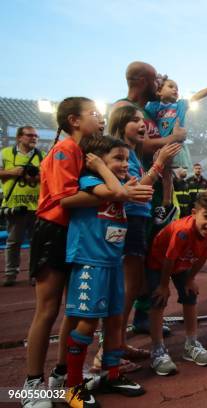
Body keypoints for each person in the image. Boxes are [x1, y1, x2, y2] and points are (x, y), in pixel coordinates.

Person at [22, 97, 105, 408]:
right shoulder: (65, 149)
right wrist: (114, 194)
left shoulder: (84, 151)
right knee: (48, 308)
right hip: (53, 233)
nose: (100, 118)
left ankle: (62, 377)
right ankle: (32, 383)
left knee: (74, 309)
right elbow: (64, 198)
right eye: (94, 113)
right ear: (74, 121)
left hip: (76, 233)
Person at [63, 136, 150, 407]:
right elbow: (115, 193)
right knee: (87, 324)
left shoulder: (119, 184)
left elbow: (125, 192)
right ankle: (73, 386)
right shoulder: (91, 183)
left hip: (113, 262)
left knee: (114, 321)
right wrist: (101, 167)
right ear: (97, 161)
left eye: (127, 159)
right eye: (119, 159)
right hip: (91, 261)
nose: (125, 164)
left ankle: (112, 374)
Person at [112, 61, 185, 340]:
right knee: (131, 263)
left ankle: (142, 317)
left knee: (152, 253)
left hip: (152, 190)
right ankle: (114, 333)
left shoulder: (151, 111)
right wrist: (171, 139)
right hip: (133, 191)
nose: (160, 85)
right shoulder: (123, 109)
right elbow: (127, 145)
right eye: (156, 81)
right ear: (142, 81)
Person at [147, 192, 207, 375]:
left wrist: (190, 279)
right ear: (193, 213)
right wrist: (164, 285)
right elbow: (168, 259)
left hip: (182, 262)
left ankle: (191, 344)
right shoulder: (183, 231)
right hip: (159, 262)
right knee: (159, 299)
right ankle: (157, 349)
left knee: (190, 294)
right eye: (206, 217)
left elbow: (202, 258)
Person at [145, 80, 207, 168]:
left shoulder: (180, 105)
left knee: (180, 173)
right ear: (159, 91)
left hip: (177, 148)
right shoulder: (153, 106)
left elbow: (197, 96)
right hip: (160, 147)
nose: (175, 90)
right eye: (170, 86)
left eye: (177, 88)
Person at [0, 126, 45, 286]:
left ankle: (34, 274)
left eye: (36, 136)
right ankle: (11, 274)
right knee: (13, 242)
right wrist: (13, 172)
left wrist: (35, 177)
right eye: (30, 135)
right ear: (19, 137)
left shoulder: (43, 156)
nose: (34, 138)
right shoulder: (5, 153)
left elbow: (49, 177)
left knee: (36, 243)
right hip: (14, 205)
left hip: (37, 207)